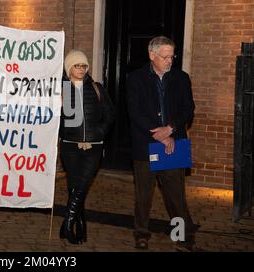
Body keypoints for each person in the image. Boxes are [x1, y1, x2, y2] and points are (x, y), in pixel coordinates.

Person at [126, 36, 198, 251]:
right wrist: (160, 135)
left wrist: (171, 129)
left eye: (172, 56)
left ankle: (180, 235)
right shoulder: (135, 79)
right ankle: (141, 233)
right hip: (145, 144)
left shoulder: (181, 78)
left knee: (175, 196)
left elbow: (188, 108)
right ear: (152, 55)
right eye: (165, 57)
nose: (169, 61)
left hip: (174, 143)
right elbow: (135, 112)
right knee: (143, 195)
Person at [59, 50, 115, 244]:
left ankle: (67, 225)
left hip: (94, 146)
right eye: (77, 65)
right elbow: (53, 120)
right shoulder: (61, 89)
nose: (81, 69)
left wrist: (98, 133)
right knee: (75, 187)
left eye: (84, 66)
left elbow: (110, 115)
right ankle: (81, 226)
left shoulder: (96, 88)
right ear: (69, 68)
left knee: (82, 185)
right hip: (70, 146)